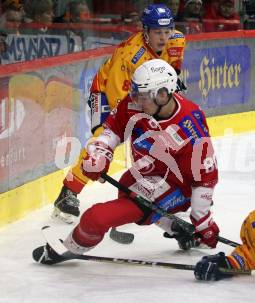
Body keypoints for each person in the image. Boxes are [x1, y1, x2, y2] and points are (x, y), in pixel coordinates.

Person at [33, 59, 220, 264]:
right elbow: (114, 128)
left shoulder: (189, 125)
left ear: (163, 95)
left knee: (96, 218)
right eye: (134, 93)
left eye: (142, 96)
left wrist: (203, 221)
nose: (135, 100)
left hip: (178, 186)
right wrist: (101, 153)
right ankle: (175, 227)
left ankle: (72, 247)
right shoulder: (138, 102)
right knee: (127, 185)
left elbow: (205, 178)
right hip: (147, 173)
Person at [51, 4, 186, 224]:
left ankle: (168, 190)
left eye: (167, 31)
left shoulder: (177, 39)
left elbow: (174, 67)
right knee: (103, 140)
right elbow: (120, 103)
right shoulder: (131, 56)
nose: (164, 37)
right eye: (157, 32)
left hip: (145, 94)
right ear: (145, 31)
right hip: (106, 93)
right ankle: (68, 192)